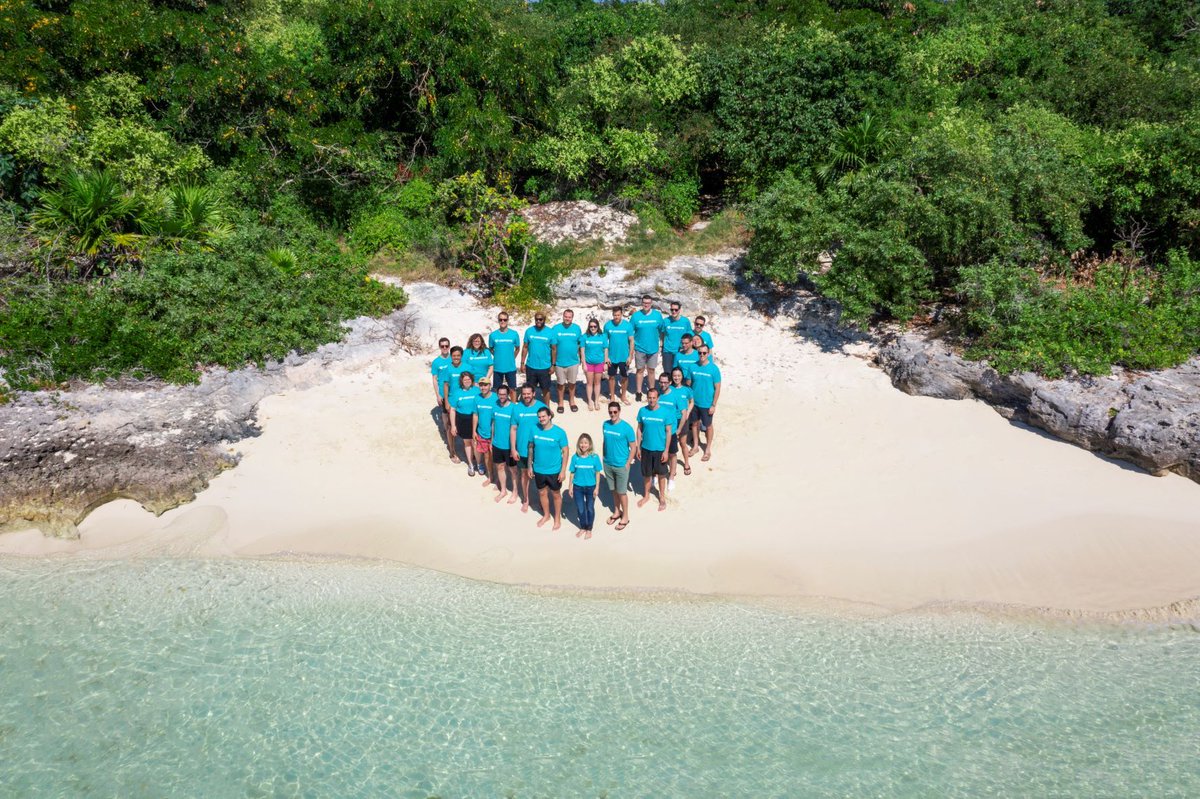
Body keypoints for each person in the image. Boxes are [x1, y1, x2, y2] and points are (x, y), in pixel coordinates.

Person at [528, 406, 569, 530]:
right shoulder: (534, 429)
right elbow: (530, 447)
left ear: (549, 416)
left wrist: (563, 471)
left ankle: (557, 518)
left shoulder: (559, 432)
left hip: (554, 470)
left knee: (556, 494)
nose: (541, 419)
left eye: (543, 416)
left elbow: (566, 451)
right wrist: (529, 466)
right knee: (542, 492)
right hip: (539, 469)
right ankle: (546, 515)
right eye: (539, 417)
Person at [510, 384, 548, 513]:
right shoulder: (516, 408)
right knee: (524, 475)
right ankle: (526, 499)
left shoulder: (542, 407)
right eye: (524, 394)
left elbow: (548, 427)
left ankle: (543, 502)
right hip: (522, 449)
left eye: (528, 393)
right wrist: (513, 449)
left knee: (540, 477)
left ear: (534, 394)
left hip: (540, 450)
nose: (526, 396)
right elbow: (513, 429)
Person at [635, 387, 673, 512]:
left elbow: (668, 432)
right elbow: (639, 429)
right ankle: (646, 496)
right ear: (647, 398)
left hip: (660, 449)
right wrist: (638, 447)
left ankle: (662, 497)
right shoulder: (642, 411)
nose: (651, 400)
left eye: (654, 398)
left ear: (658, 398)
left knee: (661, 474)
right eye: (649, 398)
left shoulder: (665, 412)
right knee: (647, 474)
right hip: (645, 448)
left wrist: (666, 451)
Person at [601, 401, 637, 531]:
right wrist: (603, 458)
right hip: (608, 463)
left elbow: (633, 447)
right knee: (613, 490)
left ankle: (625, 517)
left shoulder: (626, 428)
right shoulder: (605, 424)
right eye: (610, 412)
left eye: (615, 412)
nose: (612, 414)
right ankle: (617, 512)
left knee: (622, 492)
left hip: (621, 465)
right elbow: (604, 442)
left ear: (619, 411)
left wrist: (628, 463)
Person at [688, 345, 722, 463]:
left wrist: (713, 405)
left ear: (708, 354)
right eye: (700, 353)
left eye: (704, 353)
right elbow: (689, 383)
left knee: (708, 426)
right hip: (694, 403)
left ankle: (707, 449)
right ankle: (696, 446)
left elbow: (717, 388)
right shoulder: (693, 366)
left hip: (707, 403)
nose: (702, 355)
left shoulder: (714, 369)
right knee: (694, 424)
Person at [661, 368, 694, 486]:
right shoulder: (669, 388)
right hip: (671, 420)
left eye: (678, 375)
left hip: (682, 419)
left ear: (682, 376)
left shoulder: (686, 389)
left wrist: (688, 412)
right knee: (670, 445)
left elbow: (691, 401)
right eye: (674, 376)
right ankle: (672, 467)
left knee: (683, 443)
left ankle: (686, 463)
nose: (676, 378)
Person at [568, 433, 602, 539]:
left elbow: (597, 473)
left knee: (590, 508)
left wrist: (597, 488)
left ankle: (589, 529)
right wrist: (570, 487)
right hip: (577, 487)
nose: (583, 445)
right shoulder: (575, 457)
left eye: (586, 443)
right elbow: (572, 473)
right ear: (579, 444)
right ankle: (583, 527)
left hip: (591, 488)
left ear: (590, 444)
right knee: (581, 508)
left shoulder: (594, 457)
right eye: (582, 443)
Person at [441, 347, 472, 464]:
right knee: (450, 427)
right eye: (454, 355)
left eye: (458, 355)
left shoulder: (467, 367)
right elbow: (445, 386)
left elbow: (471, 382)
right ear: (451, 356)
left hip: (464, 401)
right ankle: (452, 451)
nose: (456, 358)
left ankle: (470, 452)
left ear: (461, 356)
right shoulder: (447, 368)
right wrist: (447, 402)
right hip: (452, 400)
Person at [631, 295, 664, 402]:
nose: (646, 305)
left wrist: (661, 343)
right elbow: (630, 332)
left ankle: (651, 391)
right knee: (640, 370)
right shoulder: (636, 316)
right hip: (639, 348)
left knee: (651, 370)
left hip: (653, 348)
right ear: (642, 303)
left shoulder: (657, 316)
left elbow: (662, 330)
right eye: (644, 303)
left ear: (651, 304)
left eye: (648, 303)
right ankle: (639, 392)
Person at [550, 308, 584, 414]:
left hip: (573, 362)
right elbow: (552, 347)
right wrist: (553, 363)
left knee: (572, 383)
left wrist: (581, 358)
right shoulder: (555, 329)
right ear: (563, 316)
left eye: (569, 317)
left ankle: (572, 401)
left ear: (572, 318)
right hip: (559, 362)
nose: (567, 318)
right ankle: (560, 402)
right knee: (560, 383)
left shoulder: (577, 328)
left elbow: (581, 344)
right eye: (566, 316)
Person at [448, 371, 481, 476]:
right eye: (465, 379)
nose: (467, 381)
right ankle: (470, 464)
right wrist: (453, 425)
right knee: (467, 442)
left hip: (475, 418)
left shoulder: (477, 391)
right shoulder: (456, 393)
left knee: (475, 442)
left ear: (472, 380)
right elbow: (452, 410)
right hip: (463, 419)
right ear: (461, 381)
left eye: (469, 379)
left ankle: (479, 464)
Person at [490, 385, 517, 503]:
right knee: (500, 467)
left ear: (508, 395)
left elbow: (516, 428)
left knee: (513, 470)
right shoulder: (495, 406)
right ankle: (503, 490)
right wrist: (491, 441)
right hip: (497, 444)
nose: (502, 396)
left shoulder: (513, 408)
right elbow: (493, 424)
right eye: (500, 394)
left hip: (509, 446)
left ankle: (515, 491)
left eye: (504, 394)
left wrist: (514, 447)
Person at [520, 313, 554, 405]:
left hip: (545, 367)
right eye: (537, 319)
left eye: (540, 319)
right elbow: (525, 347)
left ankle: (547, 407)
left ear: (544, 320)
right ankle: (530, 407)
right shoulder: (529, 331)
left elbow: (554, 349)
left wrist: (553, 365)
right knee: (530, 389)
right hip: (531, 366)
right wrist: (522, 363)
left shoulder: (550, 332)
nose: (538, 321)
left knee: (545, 389)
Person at [603, 306, 635, 405]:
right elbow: (605, 343)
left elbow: (631, 341)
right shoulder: (608, 325)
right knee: (611, 377)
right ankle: (612, 396)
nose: (616, 317)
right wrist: (606, 357)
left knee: (624, 377)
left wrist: (630, 356)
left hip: (624, 357)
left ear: (621, 314)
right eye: (615, 315)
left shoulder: (628, 325)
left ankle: (623, 395)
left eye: (618, 315)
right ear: (612, 315)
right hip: (612, 357)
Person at [430, 337, 455, 460]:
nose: (445, 348)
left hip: (454, 393)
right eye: (442, 346)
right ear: (440, 347)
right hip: (443, 393)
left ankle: (451, 432)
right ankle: (447, 435)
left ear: (449, 346)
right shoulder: (436, 362)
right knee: (446, 419)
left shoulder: (454, 358)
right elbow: (434, 379)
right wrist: (437, 395)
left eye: (446, 346)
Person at [488, 311, 521, 392]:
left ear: (508, 320)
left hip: (510, 367)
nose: (503, 321)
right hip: (497, 367)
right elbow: (491, 349)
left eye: (505, 320)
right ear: (498, 320)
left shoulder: (514, 334)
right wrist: (497, 356)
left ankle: (513, 404)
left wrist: (512, 357)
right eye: (501, 319)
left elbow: (517, 348)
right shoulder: (493, 335)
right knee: (497, 390)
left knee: (512, 389)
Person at [474, 377, 498, 487]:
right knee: (487, 456)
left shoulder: (496, 398)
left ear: (490, 386)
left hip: (495, 434)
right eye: (481, 385)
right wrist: (474, 431)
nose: (483, 387)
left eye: (485, 385)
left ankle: (498, 478)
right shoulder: (477, 398)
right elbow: (475, 415)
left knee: (497, 458)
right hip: (482, 433)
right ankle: (490, 476)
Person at [582, 318, 607, 412]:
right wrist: (583, 364)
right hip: (588, 363)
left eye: (594, 326)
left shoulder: (602, 336)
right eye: (591, 326)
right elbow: (582, 351)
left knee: (597, 383)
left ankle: (596, 401)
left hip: (599, 363)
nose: (593, 328)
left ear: (598, 327)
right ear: (589, 327)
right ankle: (589, 401)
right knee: (589, 383)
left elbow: (605, 350)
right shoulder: (585, 336)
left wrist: (605, 363)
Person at [661, 301, 692, 375]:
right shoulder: (666, 321)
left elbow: (690, 336)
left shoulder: (685, 321)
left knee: (679, 373)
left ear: (679, 310)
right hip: (667, 351)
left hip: (681, 351)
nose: (674, 311)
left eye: (676, 310)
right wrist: (661, 345)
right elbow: (662, 333)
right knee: (667, 373)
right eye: (672, 310)